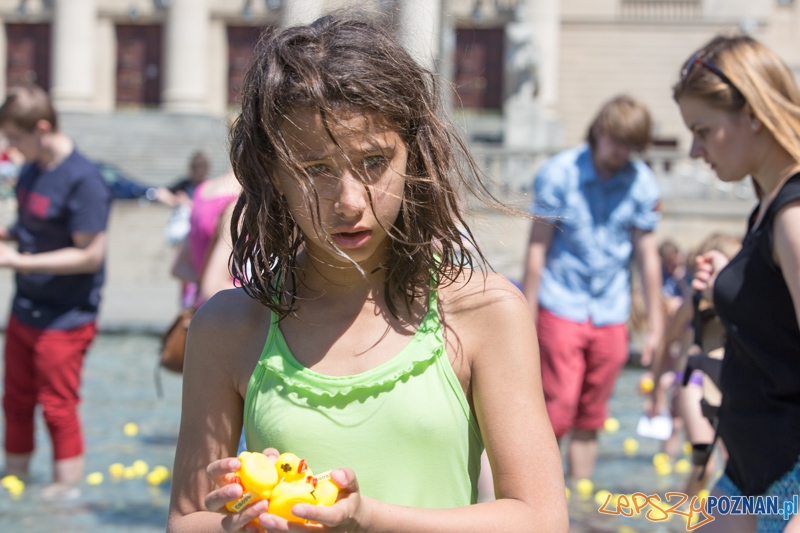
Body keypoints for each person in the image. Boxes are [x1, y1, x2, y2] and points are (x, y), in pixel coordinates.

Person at [167, 16, 568, 533]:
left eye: (374, 161)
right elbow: (186, 519)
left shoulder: (484, 312)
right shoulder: (227, 327)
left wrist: (370, 518)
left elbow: (540, 519)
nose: (349, 202)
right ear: (272, 175)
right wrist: (241, 525)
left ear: (414, 157)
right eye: (315, 171)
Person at [674, 34, 800, 532]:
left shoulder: (793, 215)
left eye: (703, 129)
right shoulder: (765, 208)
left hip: (788, 482)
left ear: (753, 112)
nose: (693, 149)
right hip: (747, 478)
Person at [521, 94, 664, 483]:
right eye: (617, 141)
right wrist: (527, 313)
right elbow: (538, 246)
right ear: (599, 131)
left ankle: (580, 499)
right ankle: (540, 496)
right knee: (557, 405)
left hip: (610, 310)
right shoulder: (559, 173)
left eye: (631, 146)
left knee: (592, 413)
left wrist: (655, 325)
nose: (622, 152)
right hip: (560, 302)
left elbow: (647, 258)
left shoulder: (641, 182)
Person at [0, 83, 112, 498]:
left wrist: (19, 261)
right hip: (25, 306)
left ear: (42, 128)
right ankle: (14, 482)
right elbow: (30, 230)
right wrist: (7, 235)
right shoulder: (32, 169)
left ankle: (64, 498)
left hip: (66, 316)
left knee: (57, 408)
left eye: (15, 137)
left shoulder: (85, 180)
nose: (10, 148)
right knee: (14, 400)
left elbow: (90, 256)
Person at [170, 170, 240, 308]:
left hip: (205, 312)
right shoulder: (241, 201)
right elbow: (213, 286)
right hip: (232, 315)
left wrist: (205, 278)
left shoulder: (203, 191)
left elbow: (180, 267)